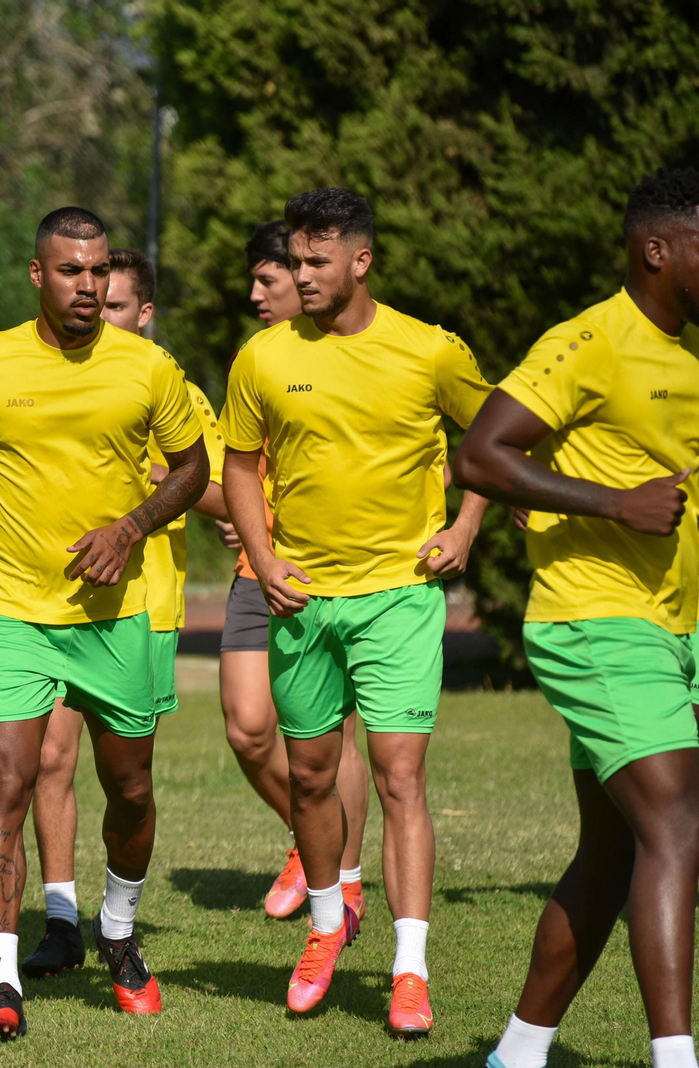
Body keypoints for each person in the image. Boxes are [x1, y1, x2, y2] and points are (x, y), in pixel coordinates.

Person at [0, 207, 209, 1039]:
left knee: (131, 790)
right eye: (72, 271)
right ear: (38, 275)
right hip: (11, 607)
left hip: (114, 615)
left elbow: (193, 468)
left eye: (99, 271)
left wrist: (132, 527)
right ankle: (1, 983)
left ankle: (117, 929)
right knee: (6, 782)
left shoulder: (148, 366)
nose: (88, 286)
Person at [221, 187, 491, 1035]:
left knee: (399, 776)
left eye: (317, 261)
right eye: (295, 260)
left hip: (399, 597)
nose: (300, 275)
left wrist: (465, 528)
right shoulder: (262, 357)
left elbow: (492, 440)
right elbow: (238, 467)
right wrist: (264, 559)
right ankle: (327, 925)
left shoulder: (430, 349)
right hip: (302, 600)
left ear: (361, 261)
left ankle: (410, 971)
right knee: (309, 776)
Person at [452, 168, 699, 1068]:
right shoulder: (589, 340)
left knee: (611, 857)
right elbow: (482, 454)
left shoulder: (690, 355)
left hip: (678, 630)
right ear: (656, 250)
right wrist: (612, 503)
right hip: (598, 622)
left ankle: (517, 1054)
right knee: (679, 825)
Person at [21, 247, 227, 978]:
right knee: (49, 758)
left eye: (115, 304)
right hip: (56, 604)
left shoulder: (175, 390)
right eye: (94, 299)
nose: (98, 311)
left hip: (144, 608)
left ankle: (117, 921)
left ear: (143, 313)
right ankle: (59, 921)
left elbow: (221, 490)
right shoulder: (53, 376)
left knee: (128, 785)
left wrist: (163, 477)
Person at [216, 222, 370, 923]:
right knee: (249, 729)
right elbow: (237, 466)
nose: (257, 293)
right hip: (261, 570)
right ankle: (311, 840)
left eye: (267, 278)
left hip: (338, 572)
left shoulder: (354, 350)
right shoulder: (253, 360)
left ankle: (345, 881)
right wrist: (243, 516)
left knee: (335, 736)